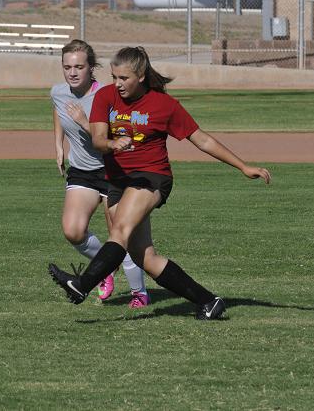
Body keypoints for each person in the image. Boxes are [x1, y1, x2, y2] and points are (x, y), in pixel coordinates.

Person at [48, 46, 271, 320]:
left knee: (119, 230)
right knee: (146, 259)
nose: (117, 84)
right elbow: (97, 139)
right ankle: (208, 301)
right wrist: (111, 143)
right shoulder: (105, 96)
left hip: (152, 176)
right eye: (114, 76)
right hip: (118, 181)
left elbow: (202, 139)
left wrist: (243, 166)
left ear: (141, 76)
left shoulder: (165, 105)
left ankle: (81, 286)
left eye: (124, 78)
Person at [51, 40, 150, 308]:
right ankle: (104, 268)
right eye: (67, 67)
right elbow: (59, 112)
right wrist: (58, 144)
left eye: (79, 67)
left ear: (91, 67)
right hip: (82, 170)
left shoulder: (106, 96)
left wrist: (85, 122)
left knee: (120, 235)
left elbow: (112, 136)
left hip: (112, 170)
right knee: (73, 231)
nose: (72, 72)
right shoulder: (58, 92)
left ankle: (139, 292)